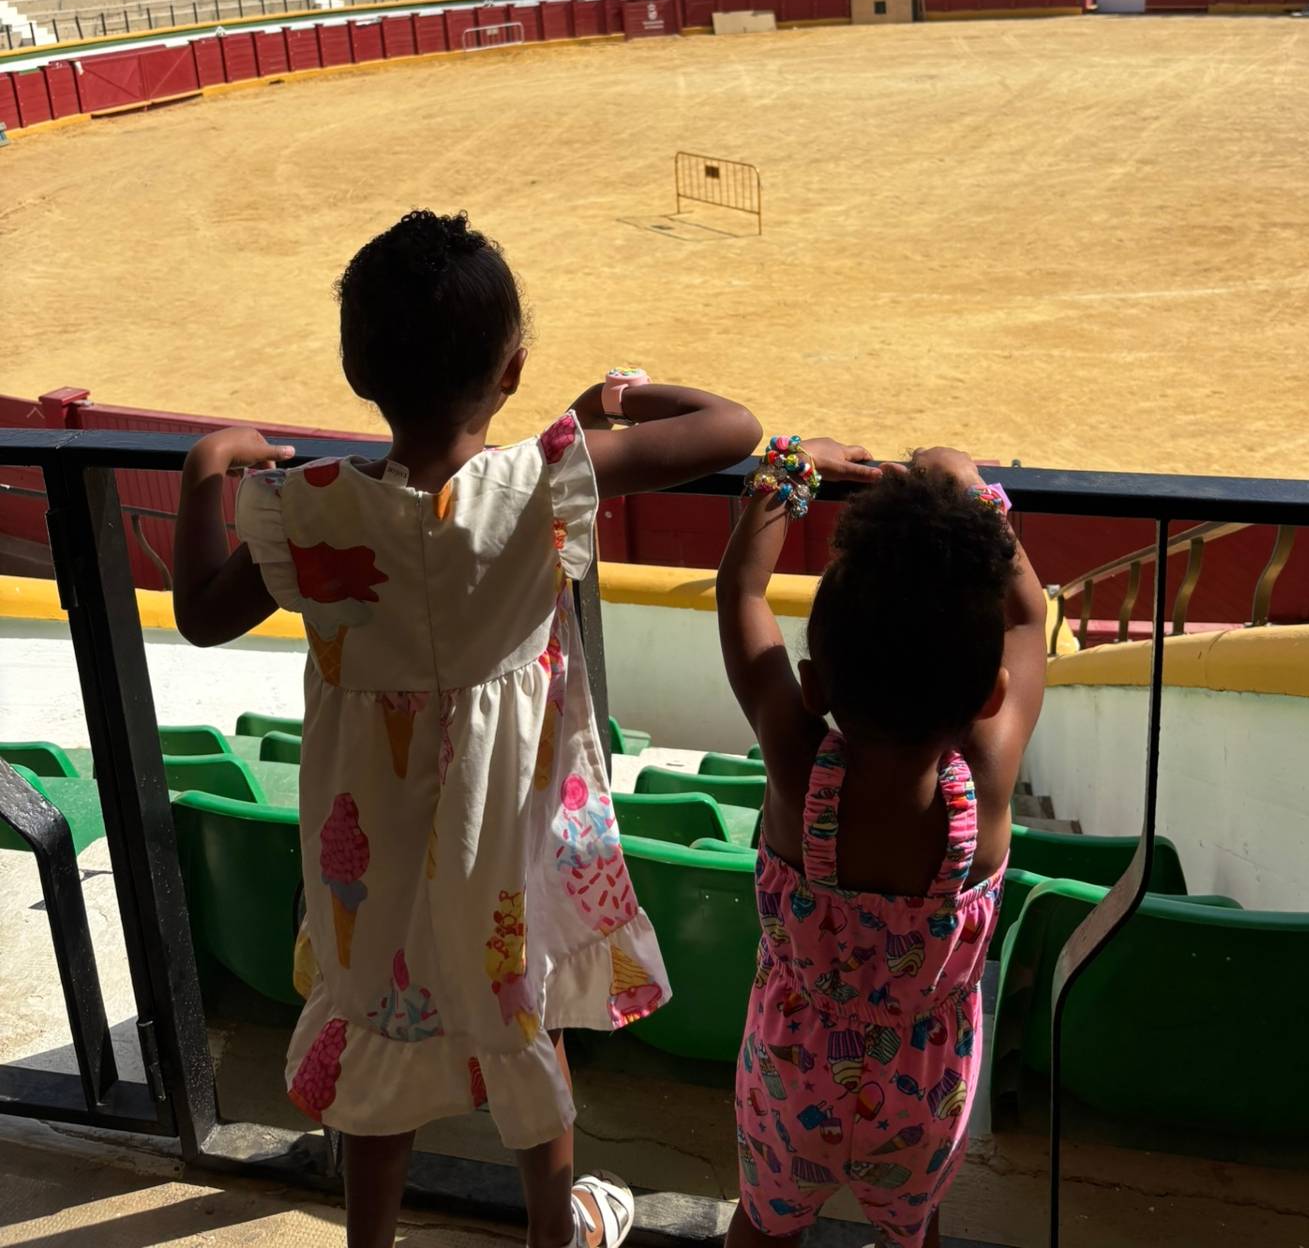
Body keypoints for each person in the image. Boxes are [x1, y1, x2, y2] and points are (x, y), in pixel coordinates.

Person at [173, 209, 760, 1248]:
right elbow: (735, 428)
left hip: (371, 825)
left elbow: (201, 616)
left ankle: (369, 1239)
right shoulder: (543, 479)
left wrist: (207, 469)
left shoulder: (311, 512)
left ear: (360, 372)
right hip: (506, 823)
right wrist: (614, 403)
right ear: (513, 367)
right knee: (515, 999)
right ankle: (552, 1228)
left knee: (377, 1010)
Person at [714, 437, 1048, 1248]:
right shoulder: (990, 784)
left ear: (815, 685)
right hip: (923, 1093)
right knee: (912, 1234)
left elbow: (742, 590)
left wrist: (791, 467)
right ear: (988, 695)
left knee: (763, 1231)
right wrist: (972, 494)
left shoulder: (797, 768)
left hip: (794, 1074)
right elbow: (1032, 616)